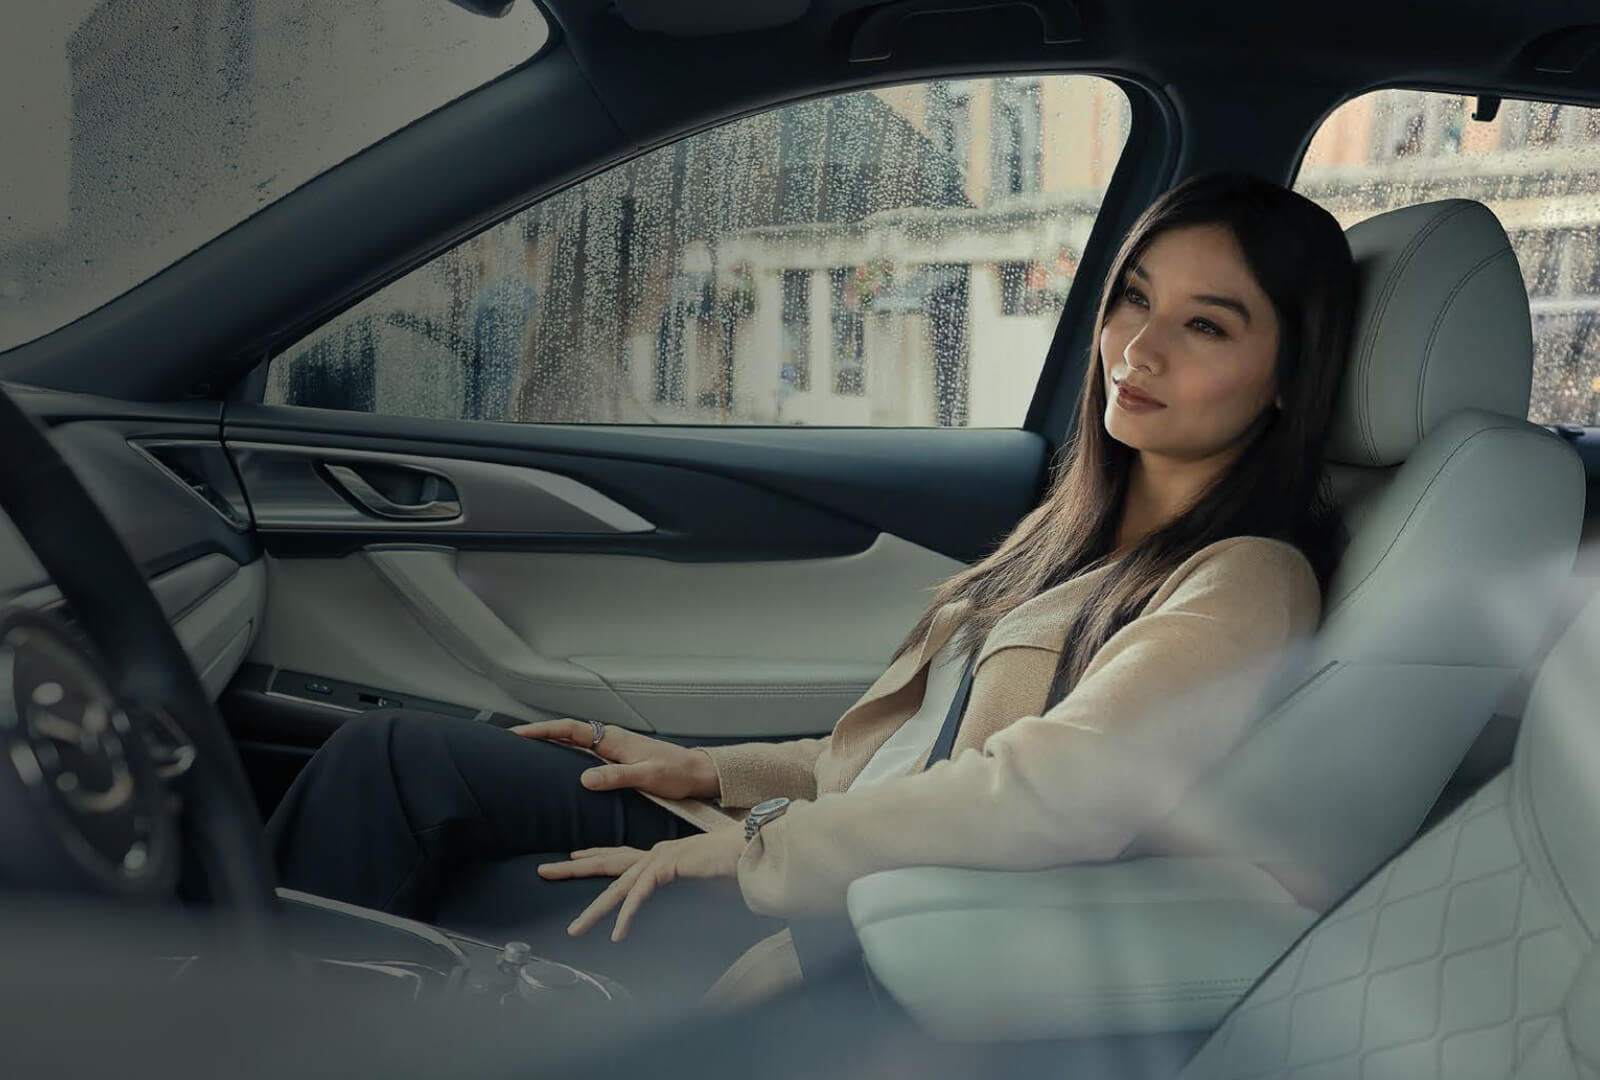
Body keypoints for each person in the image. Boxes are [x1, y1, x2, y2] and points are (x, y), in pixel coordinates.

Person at [266, 172, 1358, 1007]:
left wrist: (752, 848)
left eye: (1206, 325)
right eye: (1132, 298)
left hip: (854, 915)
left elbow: (1047, 795)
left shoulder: (1244, 580)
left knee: (422, 874)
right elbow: (904, 748)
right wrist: (715, 771)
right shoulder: (1077, 529)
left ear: (1285, 380)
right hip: (811, 842)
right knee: (394, 757)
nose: (1137, 346)